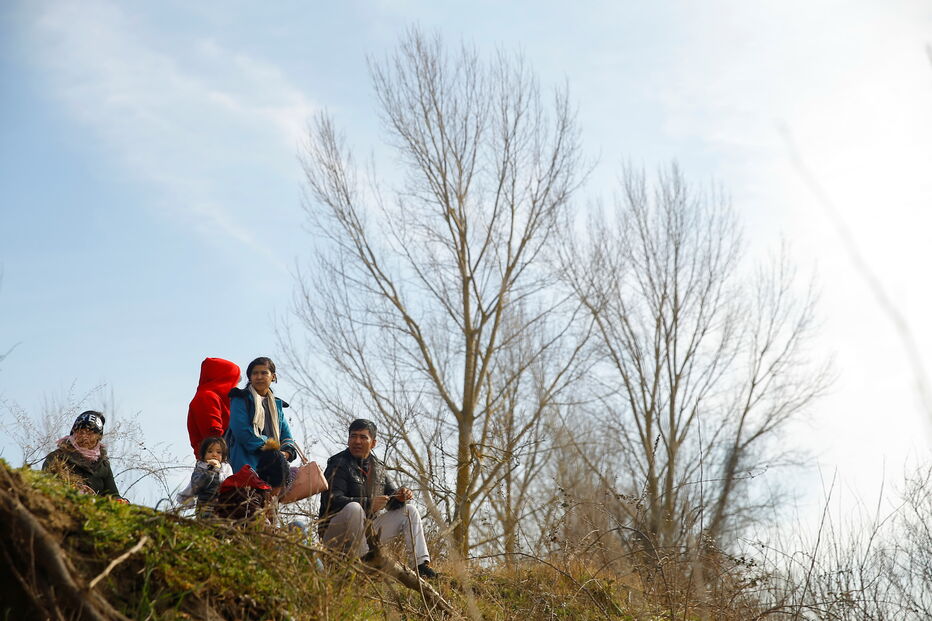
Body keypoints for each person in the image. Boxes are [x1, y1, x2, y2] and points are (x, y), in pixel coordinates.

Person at [319, 418, 437, 578]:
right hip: (335, 536)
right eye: (353, 436)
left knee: (409, 510)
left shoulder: (378, 467)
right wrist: (368, 504)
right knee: (355, 508)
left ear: (373, 443)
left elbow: (391, 498)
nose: (357, 441)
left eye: (363, 437)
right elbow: (332, 500)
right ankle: (358, 565)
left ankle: (420, 566)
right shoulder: (338, 463)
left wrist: (400, 497)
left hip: (365, 534)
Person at [226, 357, 297, 479]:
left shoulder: (276, 405)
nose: (259, 377)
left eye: (264, 373)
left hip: (272, 467)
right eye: (255, 373)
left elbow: (286, 435)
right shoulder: (240, 399)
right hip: (245, 463)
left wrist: (286, 453)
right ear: (250, 377)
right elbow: (241, 431)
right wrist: (271, 449)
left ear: (273, 376)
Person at [42, 410, 126, 500]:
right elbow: (45, 482)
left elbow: (113, 494)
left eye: (90, 433)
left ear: (99, 437)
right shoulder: (57, 457)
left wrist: (120, 501)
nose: (84, 437)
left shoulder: (103, 465)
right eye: (81, 432)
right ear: (73, 433)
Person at [186, 357, 241, 459]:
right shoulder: (206, 397)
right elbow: (212, 436)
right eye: (234, 380)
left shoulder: (212, 397)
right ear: (223, 380)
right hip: (214, 463)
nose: (236, 386)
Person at [177, 436, 233, 517]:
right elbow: (196, 486)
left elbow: (229, 483)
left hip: (221, 505)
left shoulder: (226, 468)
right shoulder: (201, 467)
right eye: (210, 451)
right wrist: (210, 471)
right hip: (204, 505)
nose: (214, 455)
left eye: (218, 452)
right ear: (203, 454)